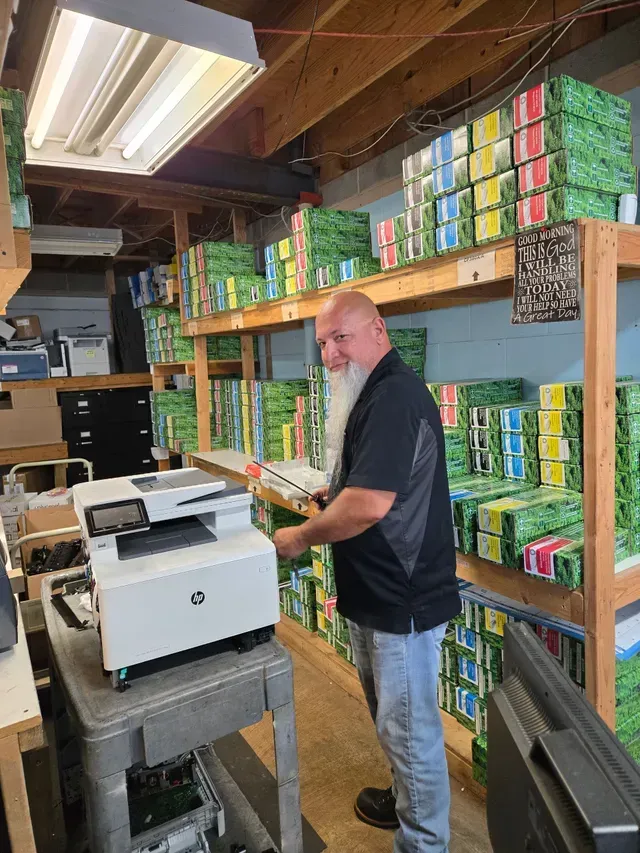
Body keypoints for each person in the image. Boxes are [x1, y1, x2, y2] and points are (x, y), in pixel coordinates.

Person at [273, 291, 461, 853]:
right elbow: (375, 483)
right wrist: (342, 487)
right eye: (324, 344)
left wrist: (303, 536)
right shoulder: (372, 390)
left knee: (410, 734)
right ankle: (407, 800)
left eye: (341, 338)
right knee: (392, 723)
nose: (330, 355)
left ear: (378, 330)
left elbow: (371, 506)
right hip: (374, 593)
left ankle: (424, 843)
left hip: (401, 601)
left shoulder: (394, 395)